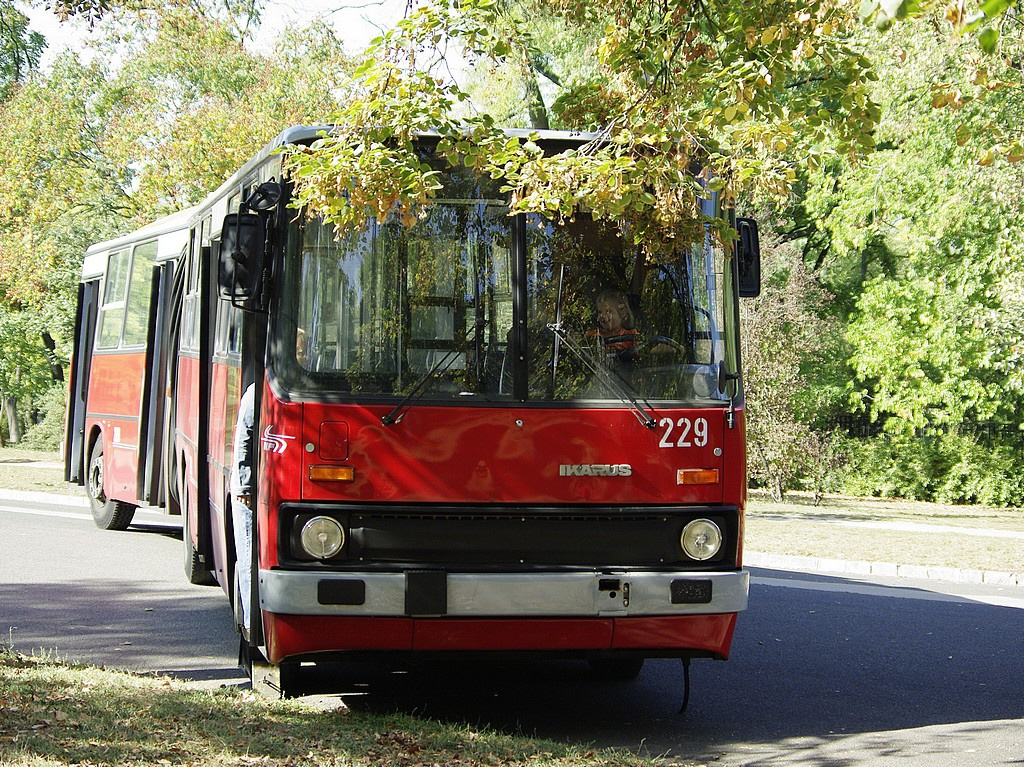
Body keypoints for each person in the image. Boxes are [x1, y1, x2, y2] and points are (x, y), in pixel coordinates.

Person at [230, 382, 256, 637]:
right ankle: (250, 623)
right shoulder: (256, 393)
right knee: (248, 555)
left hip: (260, 487)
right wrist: (245, 486)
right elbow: (244, 439)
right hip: (245, 490)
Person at [588, 288, 639, 356]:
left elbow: (641, 358)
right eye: (600, 312)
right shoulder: (594, 335)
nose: (603, 316)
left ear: (623, 313)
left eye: (608, 311)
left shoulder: (632, 335)